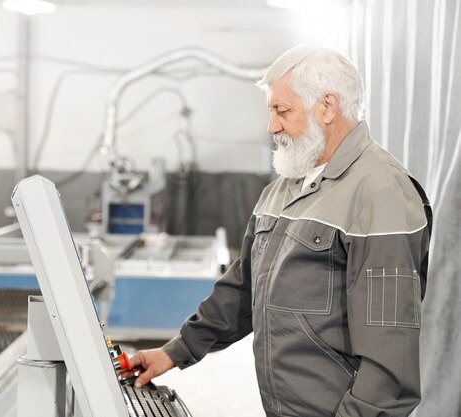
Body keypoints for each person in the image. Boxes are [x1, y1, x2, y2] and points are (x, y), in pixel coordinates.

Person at [124, 44, 432, 417]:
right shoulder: (286, 186)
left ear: (328, 106)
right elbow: (244, 288)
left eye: (281, 110)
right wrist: (175, 350)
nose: (271, 126)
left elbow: (389, 368)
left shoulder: (381, 192)